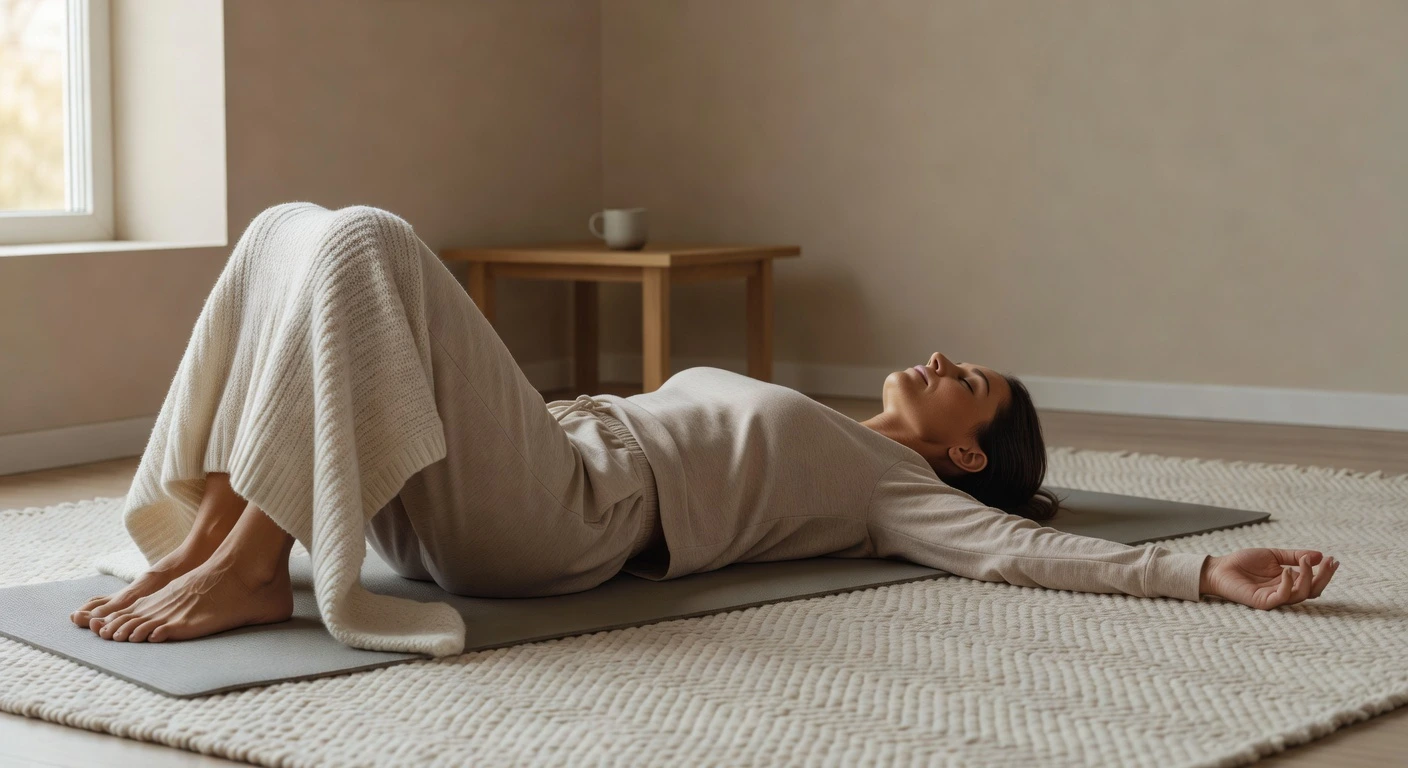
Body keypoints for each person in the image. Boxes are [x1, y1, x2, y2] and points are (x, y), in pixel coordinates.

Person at [70, 232, 1339, 646]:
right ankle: (227, 534)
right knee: (293, 224)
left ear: (960, 452)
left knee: (363, 240)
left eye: (974, 387)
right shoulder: (832, 428)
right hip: (517, 464)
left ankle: (247, 565)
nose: (947, 360)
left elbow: (1014, 555)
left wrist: (1194, 570)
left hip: (555, 520)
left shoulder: (887, 485)